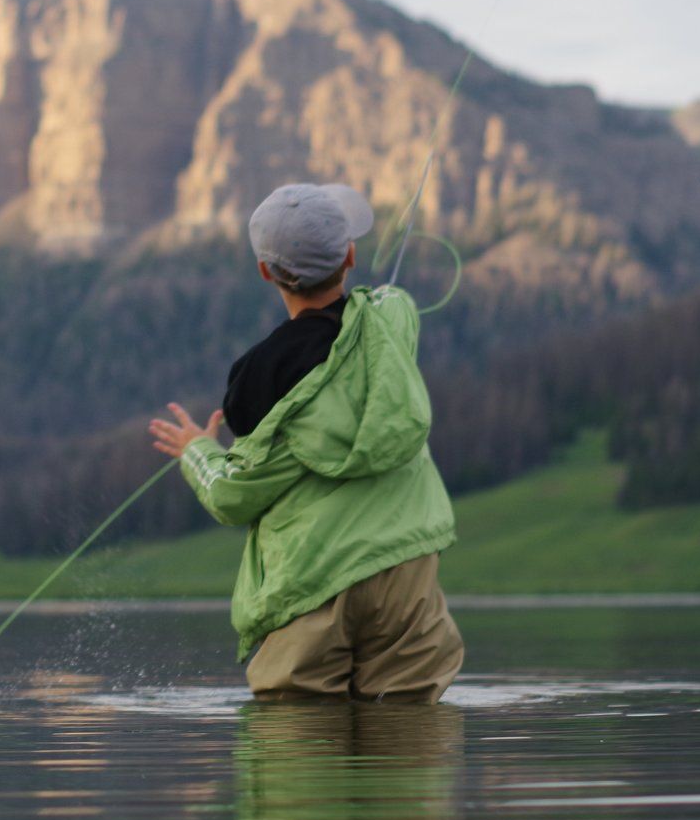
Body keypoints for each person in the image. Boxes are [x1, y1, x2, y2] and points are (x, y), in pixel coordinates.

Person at [148, 183, 464, 702]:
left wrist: (196, 452)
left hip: (311, 582)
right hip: (405, 570)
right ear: (351, 256)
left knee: (297, 743)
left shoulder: (256, 379)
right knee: (407, 745)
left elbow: (233, 494)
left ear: (266, 272)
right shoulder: (392, 321)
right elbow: (390, 299)